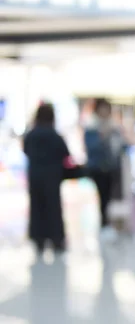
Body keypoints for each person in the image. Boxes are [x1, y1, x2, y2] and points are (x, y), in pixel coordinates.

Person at [24, 104, 70, 254]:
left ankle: (39, 239)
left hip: (35, 175)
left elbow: (25, 151)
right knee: (53, 207)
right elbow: (65, 153)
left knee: (37, 207)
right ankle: (56, 239)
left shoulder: (31, 134)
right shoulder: (54, 135)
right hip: (52, 176)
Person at [84, 98, 125, 241]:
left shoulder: (113, 127)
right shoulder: (91, 127)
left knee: (109, 197)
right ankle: (103, 224)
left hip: (111, 167)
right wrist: (102, 136)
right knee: (102, 196)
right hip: (97, 168)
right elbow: (91, 148)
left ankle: (108, 224)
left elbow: (120, 146)